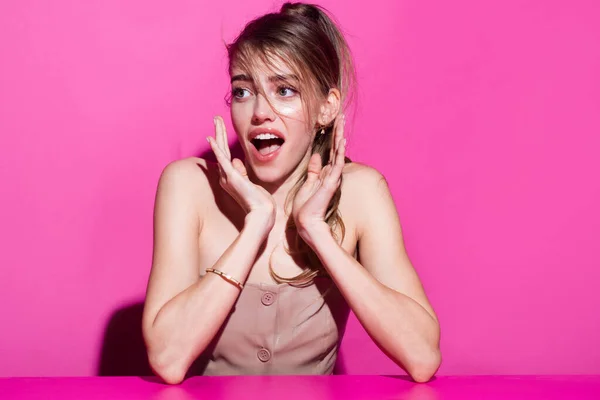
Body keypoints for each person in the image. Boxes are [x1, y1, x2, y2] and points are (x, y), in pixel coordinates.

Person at [141, 1, 441, 385]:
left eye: (284, 90)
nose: (260, 112)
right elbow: (167, 359)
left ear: (326, 108)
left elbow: (422, 356)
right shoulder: (188, 185)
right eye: (243, 91)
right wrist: (256, 224)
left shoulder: (362, 192)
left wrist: (316, 230)